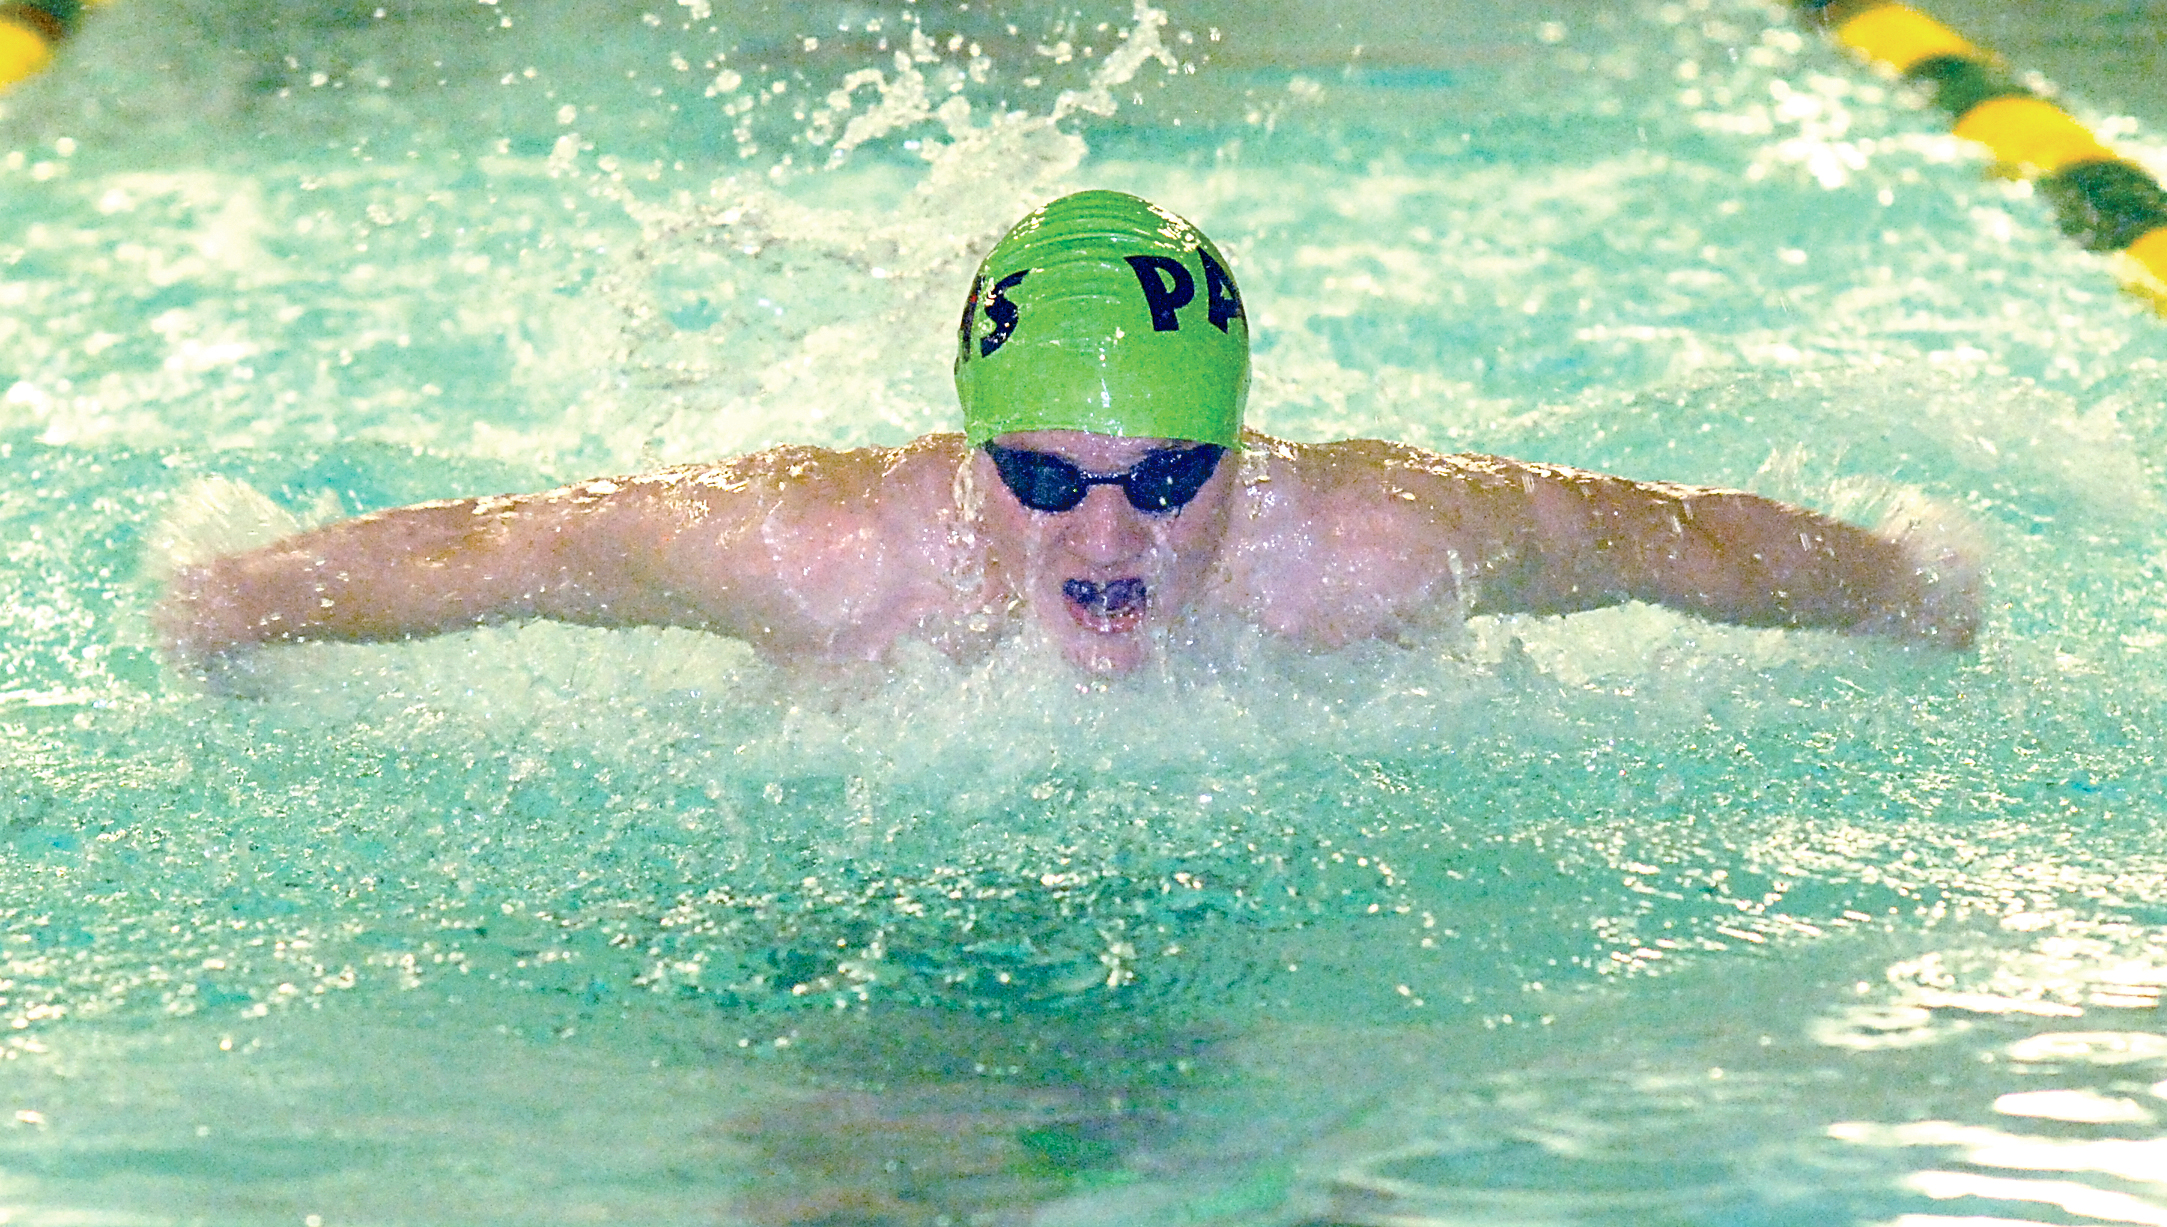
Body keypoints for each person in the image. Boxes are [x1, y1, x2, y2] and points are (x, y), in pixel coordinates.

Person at [156, 190, 1978, 679]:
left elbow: (1662, 541)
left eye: (1165, 480)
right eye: (1043, 477)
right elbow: (512, 549)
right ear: (970, 461)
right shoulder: (821, 553)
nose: (1102, 535)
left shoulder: (1370, 540)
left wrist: (1910, 585)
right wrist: (232, 598)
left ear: (1239, 460)